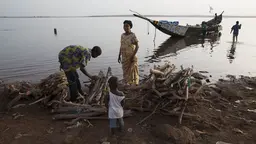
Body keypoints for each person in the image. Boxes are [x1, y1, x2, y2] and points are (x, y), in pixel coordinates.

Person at [118, 20, 139, 85]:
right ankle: (127, 84)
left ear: (130, 27)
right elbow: (121, 46)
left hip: (131, 57)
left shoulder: (132, 35)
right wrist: (119, 55)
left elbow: (137, 46)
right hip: (124, 57)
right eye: (124, 26)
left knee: (132, 72)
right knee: (125, 72)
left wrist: (132, 56)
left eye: (127, 26)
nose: (125, 27)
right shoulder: (122, 35)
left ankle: (134, 85)